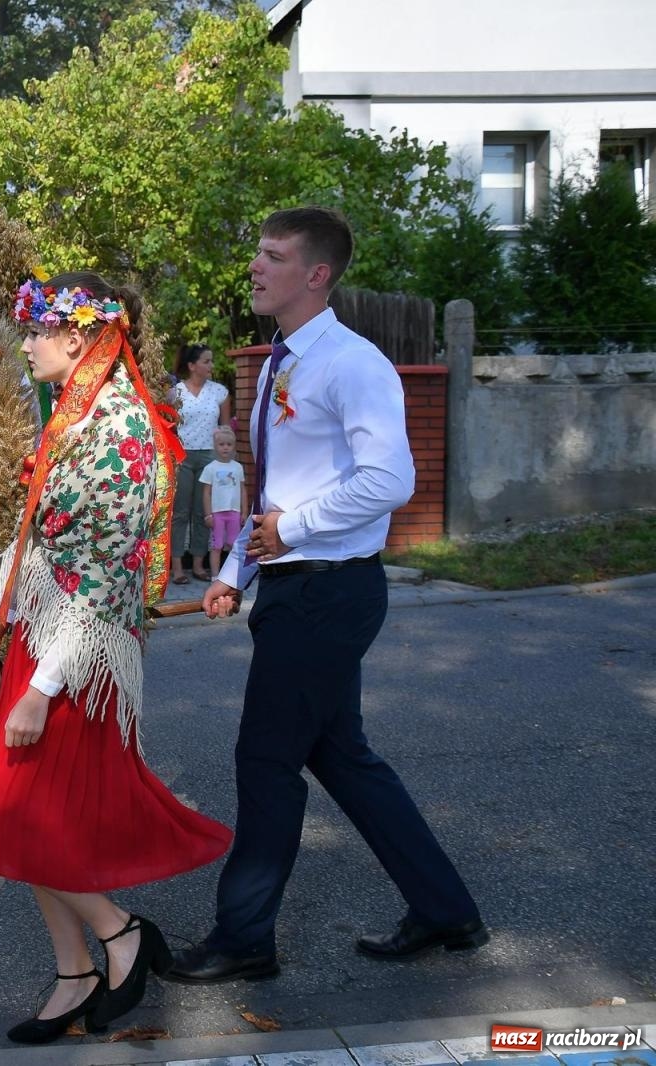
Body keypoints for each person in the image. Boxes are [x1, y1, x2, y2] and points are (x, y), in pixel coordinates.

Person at [168, 207, 485, 985]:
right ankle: (446, 910)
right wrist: (233, 572)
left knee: (266, 759)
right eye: (257, 253)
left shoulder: (353, 363)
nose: (255, 267)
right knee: (342, 757)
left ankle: (245, 938)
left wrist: (293, 529)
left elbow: (391, 481)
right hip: (295, 587)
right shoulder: (280, 363)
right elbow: (280, 490)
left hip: (329, 593)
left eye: (272, 256)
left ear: (316, 274)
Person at [0, 273, 232, 1044]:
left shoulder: (123, 428)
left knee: (14, 819)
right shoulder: (70, 417)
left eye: (36, 331)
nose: (27, 345)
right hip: (35, 640)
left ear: (77, 336)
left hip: (76, 663)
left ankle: (119, 933)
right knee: (27, 824)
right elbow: (28, 539)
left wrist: (42, 688)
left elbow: (106, 583)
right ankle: (76, 968)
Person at [169, 344, 230, 584]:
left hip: (209, 458)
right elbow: (168, 426)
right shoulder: (175, 393)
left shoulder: (219, 392)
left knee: (203, 512)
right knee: (180, 512)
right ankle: (177, 567)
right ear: (192, 366)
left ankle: (198, 564)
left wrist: (227, 461)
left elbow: (225, 428)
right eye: (206, 361)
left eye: (211, 361)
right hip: (182, 456)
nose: (211, 365)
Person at [198, 426, 247, 577]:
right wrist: (208, 514)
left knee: (233, 544)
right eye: (221, 444)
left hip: (234, 512)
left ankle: (231, 576)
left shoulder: (238, 467)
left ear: (234, 446)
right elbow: (206, 493)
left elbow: (242, 490)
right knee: (217, 545)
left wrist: (244, 512)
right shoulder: (210, 468)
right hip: (217, 513)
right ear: (215, 446)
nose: (225, 447)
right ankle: (215, 576)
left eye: (229, 444)